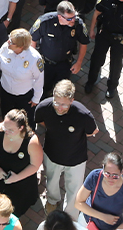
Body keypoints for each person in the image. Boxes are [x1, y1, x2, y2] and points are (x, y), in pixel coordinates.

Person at [33, 80, 98, 218]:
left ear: (72, 100)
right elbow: (40, 121)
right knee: (51, 181)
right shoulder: (44, 107)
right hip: (52, 154)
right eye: (56, 102)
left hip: (76, 159)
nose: (59, 107)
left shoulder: (83, 114)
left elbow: (93, 131)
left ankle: (70, 216)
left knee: (74, 189)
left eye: (64, 104)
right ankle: (52, 201)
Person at [0, 109, 42, 216]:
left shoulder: (32, 142)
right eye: (4, 127)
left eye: (10, 130)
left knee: (16, 206)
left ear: (21, 128)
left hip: (21, 180)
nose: (6, 131)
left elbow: (35, 165)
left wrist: (17, 178)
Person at [74, 153, 123, 230]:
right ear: (103, 168)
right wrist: (103, 217)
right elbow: (78, 203)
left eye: (115, 176)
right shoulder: (94, 177)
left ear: (122, 172)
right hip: (87, 223)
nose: (110, 179)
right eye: (107, 174)